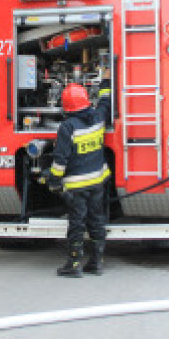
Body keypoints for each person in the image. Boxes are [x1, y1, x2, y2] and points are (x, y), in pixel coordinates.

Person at [45, 71, 112, 277]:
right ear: (86, 100)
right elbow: (105, 101)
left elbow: (60, 159)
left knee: (77, 223)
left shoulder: (67, 127)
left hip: (76, 186)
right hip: (98, 181)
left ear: (66, 107)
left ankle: (74, 264)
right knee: (96, 220)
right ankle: (97, 263)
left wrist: (53, 179)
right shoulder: (98, 118)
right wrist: (107, 81)